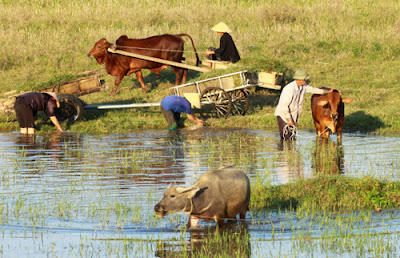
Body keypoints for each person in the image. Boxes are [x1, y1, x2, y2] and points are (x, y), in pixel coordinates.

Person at [274, 70, 334, 139]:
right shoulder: (289, 89)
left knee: (292, 137)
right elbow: (284, 107)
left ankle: (291, 149)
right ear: (300, 80)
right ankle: (284, 149)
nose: (306, 80)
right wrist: (289, 120)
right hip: (284, 115)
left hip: (292, 114)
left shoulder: (303, 86)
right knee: (286, 137)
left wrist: (326, 91)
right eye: (305, 79)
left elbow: (312, 90)